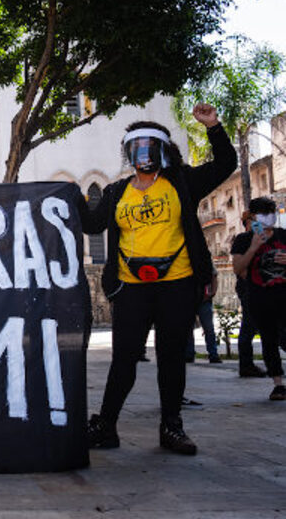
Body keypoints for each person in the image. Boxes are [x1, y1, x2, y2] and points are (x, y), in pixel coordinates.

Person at [80, 103, 236, 456]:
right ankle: (106, 425)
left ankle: (171, 426)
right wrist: (69, 197)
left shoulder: (181, 182)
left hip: (177, 283)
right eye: (136, 147)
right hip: (131, 286)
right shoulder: (117, 192)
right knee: (124, 358)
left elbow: (226, 165)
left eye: (150, 146)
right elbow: (91, 224)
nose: (143, 154)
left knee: (170, 356)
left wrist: (213, 126)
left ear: (162, 149)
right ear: (128, 151)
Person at [230, 197, 286, 400]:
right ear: (253, 216)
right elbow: (238, 268)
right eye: (264, 213)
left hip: (283, 294)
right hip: (260, 297)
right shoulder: (243, 240)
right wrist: (253, 247)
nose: (269, 217)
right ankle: (278, 383)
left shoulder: (283, 235)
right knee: (269, 340)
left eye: (272, 212)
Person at [235, 212, 266, 378]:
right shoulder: (243, 239)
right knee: (249, 325)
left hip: (267, 288)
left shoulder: (266, 238)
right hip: (250, 288)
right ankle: (246, 365)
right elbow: (240, 269)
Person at [186, 266, 221, 363]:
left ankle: (213, 354)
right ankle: (189, 354)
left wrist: (212, 292)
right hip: (190, 300)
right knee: (189, 329)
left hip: (203, 299)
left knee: (208, 328)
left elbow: (214, 276)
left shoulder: (204, 260)